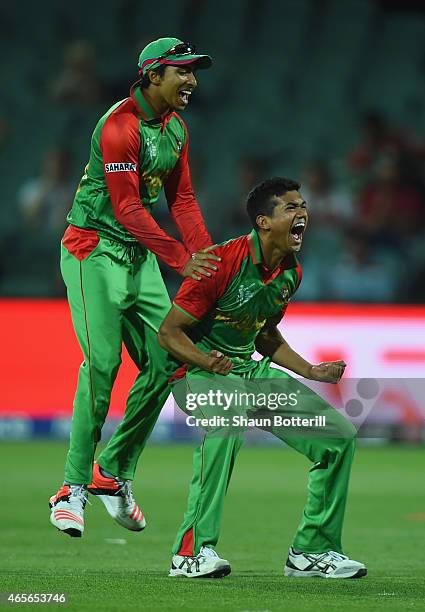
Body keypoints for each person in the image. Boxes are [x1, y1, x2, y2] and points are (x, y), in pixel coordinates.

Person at [49, 37, 221, 537]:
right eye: (182, 71)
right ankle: (72, 487)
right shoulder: (118, 127)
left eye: (194, 72)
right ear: (152, 75)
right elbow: (125, 209)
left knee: (170, 360)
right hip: (93, 250)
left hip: (139, 257)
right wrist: (180, 260)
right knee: (102, 363)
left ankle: (114, 474)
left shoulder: (176, 129)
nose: (192, 80)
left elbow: (183, 200)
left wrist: (207, 261)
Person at [158, 177, 367, 579]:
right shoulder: (220, 263)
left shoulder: (290, 272)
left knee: (337, 437)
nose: (302, 212)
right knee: (227, 424)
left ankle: (312, 551)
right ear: (263, 222)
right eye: (290, 207)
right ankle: (190, 554)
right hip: (199, 372)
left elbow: (265, 335)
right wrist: (205, 360)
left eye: (303, 205)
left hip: (250, 372)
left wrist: (310, 370)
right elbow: (169, 333)